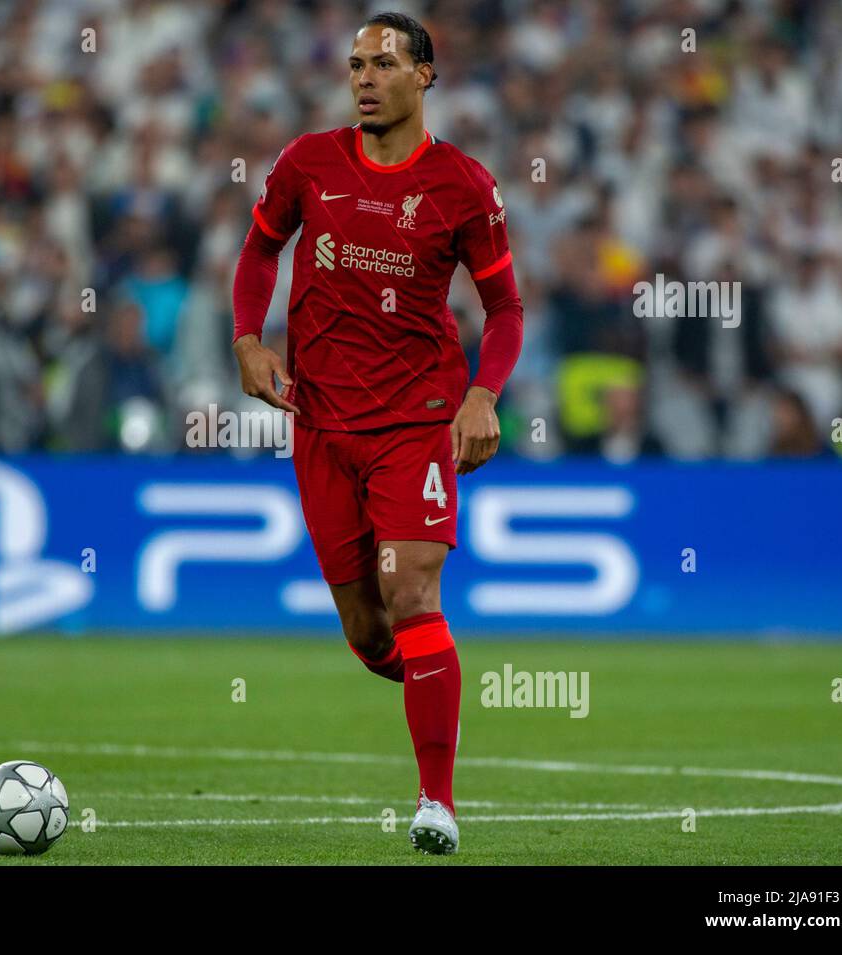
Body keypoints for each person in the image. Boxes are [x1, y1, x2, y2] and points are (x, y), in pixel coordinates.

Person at [230, 11, 523, 854]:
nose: (365, 77)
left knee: (412, 596)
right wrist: (249, 339)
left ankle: (439, 800)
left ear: (425, 76)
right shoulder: (306, 163)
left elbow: (504, 308)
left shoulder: (463, 185)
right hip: (320, 422)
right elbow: (258, 254)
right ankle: (435, 686)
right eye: (356, 64)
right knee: (368, 632)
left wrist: (483, 395)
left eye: (384, 63)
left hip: (417, 423)